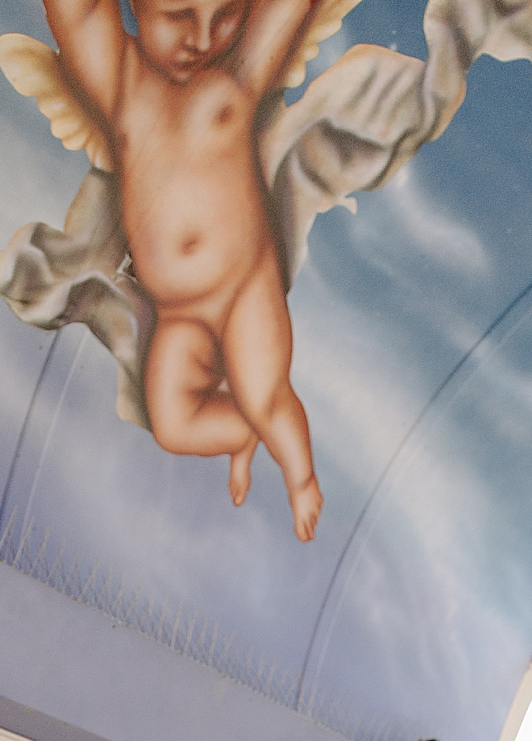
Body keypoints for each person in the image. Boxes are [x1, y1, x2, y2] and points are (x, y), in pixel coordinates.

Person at [39, 0, 326, 537]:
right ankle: (243, 435)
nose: (202, 37)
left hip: (245, 291)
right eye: (177, 15)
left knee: (267, 395)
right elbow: (75, 15)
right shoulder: (124, 88)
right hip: (179, 316)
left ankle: (301, 477)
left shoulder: (236, 78)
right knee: (171, 423)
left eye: (227, 16)